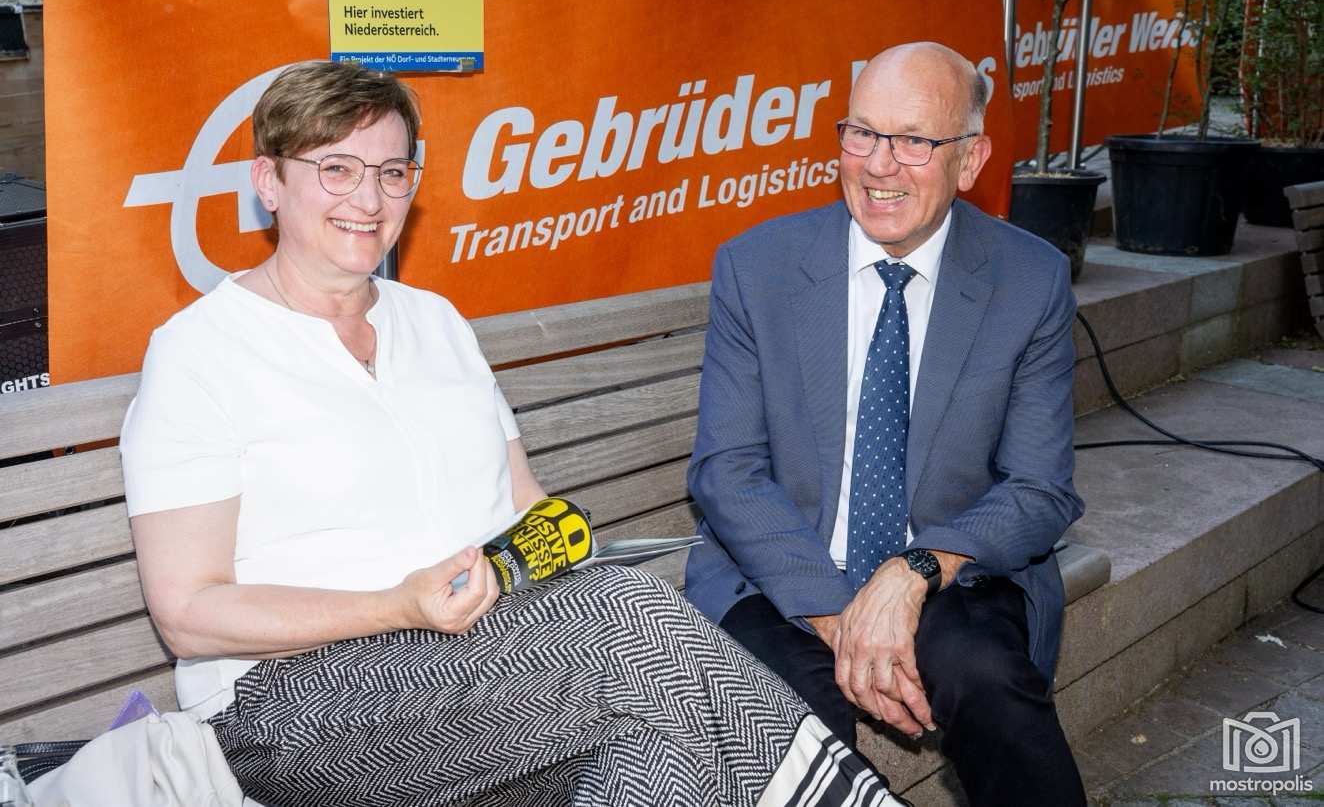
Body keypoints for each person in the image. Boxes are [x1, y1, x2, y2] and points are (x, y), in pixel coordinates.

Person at [120, 60, 903, 807]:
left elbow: (526, 501)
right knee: (628, 621)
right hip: (292, 708)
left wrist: (554, 562)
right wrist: (395, 605)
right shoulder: (200, 352)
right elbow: (187, 610)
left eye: (392, 172)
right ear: (268, 181)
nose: (369, 197)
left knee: (662, 747)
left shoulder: (436, 322)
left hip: (487, 675)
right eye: (336, 168)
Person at [684, 42, 1088, 807]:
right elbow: (726, 470)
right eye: (862, 132)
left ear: (970, 160)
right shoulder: (757, 267)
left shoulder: (1029, 280)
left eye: (913, 140)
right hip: (780, 571)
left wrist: (913, 572)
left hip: (949, 574)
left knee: (988, 680)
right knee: (791, 729)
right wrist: (846, 621)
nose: (877, 164)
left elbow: (1040, 488)